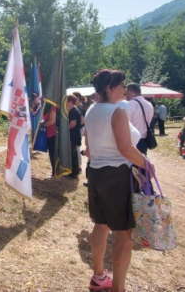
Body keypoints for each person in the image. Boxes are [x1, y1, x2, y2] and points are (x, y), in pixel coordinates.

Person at [84, 69, 148, 292]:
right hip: (117, 175)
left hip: (96, 172)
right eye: (121, 85)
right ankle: (118, 288)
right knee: (124, 233)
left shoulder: (92, 110)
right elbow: (126, 149)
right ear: (110, 87)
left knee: (100, 225)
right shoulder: (116, 112)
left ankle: (99, 275)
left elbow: (89, 148)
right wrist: (147, 164)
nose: (125, 89)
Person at [126, 83, 154, 154]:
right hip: (144, 140)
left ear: (130, 92)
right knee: (142, 162)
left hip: (133, 140)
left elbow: (125, 124)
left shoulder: (130, 104)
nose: (125, 96)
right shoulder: (149, 104)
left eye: (125, 93)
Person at [66, 95, 82, 179]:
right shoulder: (74, 110)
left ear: (70, 102)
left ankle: (73, 172)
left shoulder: (73, 111)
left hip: (73, 135)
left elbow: (73, 124)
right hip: (74, 135)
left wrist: (64, 129)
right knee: (73, 154)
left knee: (72, 154)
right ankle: (74, 171)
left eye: (67, 101)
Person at [42, 102, 57, 176]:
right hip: (52, 134)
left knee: (53, 154)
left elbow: (52, 121)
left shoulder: (54, 108)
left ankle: (55, 172)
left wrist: (43, 125)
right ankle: (55, 171)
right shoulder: (56, 107)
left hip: (52, 134)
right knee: (53, 153)